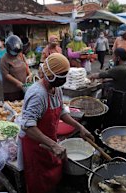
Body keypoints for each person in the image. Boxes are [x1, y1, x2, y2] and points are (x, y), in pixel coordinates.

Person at [20, 53, 90, 193]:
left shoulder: (56, 88)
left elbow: (62, 113)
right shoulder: (37, 94)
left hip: (50, 142)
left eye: (66, 74)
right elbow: (27, 126)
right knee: (39, 183)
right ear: (50, 74)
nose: (64, 79)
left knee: (52, 178)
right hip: (36, 148)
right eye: (62, 75)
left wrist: (80, 127)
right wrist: (53, 145)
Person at [1, 35, 31, 101]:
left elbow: (25, 65)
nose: (15, 54)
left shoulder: (20, 55)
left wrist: (29, 74)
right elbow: (6, 75)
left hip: (23, 88)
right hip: (11, 91)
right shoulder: (4, 59)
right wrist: (18, 83)